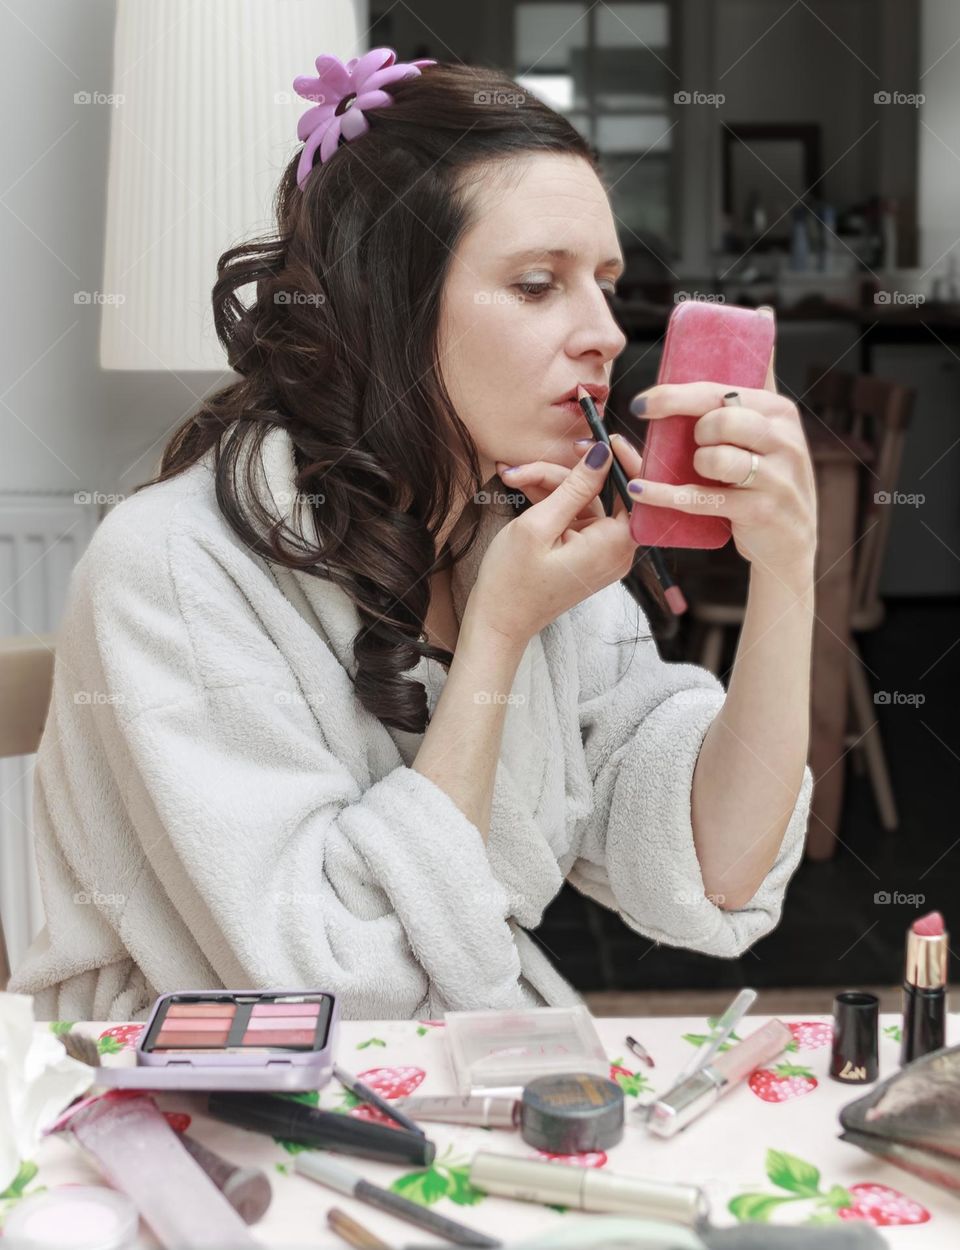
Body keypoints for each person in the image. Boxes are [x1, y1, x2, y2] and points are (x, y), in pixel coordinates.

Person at [8, 52, 816, 1022]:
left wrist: (788, 572)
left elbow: (717, 864)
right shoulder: (170, 567)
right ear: (386, 301)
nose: (605, 331)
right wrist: (497, 638)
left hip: (447, 1060)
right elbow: (338, 993)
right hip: (199, 1076)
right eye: (536, 284)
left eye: (605, 283)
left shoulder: (513, 528)